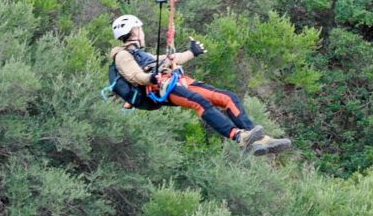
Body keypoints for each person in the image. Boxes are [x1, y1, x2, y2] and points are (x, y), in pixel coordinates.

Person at [109, 14, 291, 156]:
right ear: (133, 32)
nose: (142, 32)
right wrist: (151, 79)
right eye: (139, 29)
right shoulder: (122, 55)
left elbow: (171, 58)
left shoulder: (143, 55)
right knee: (200, 102)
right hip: (162, 89)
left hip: (177, 81)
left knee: (227, 98)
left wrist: (192, 52)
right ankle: (240, 137)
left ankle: (259, 140)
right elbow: (135, 75)